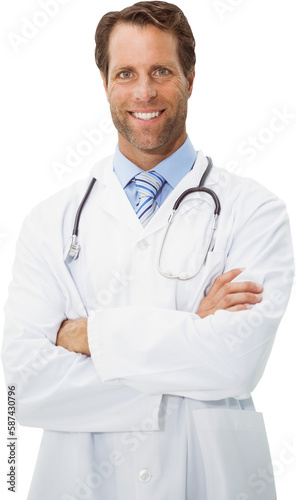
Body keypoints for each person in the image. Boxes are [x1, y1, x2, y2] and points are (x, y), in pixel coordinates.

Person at [2, 1, 294, 499]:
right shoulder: (50, 222)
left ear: (190, 77)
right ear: (104, 82)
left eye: (161, 70)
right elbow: (16, 392)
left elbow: (234, 364)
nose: (144, 91)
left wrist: (86, 335)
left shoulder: (255, 211)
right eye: (126, 73)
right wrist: (192, 336)